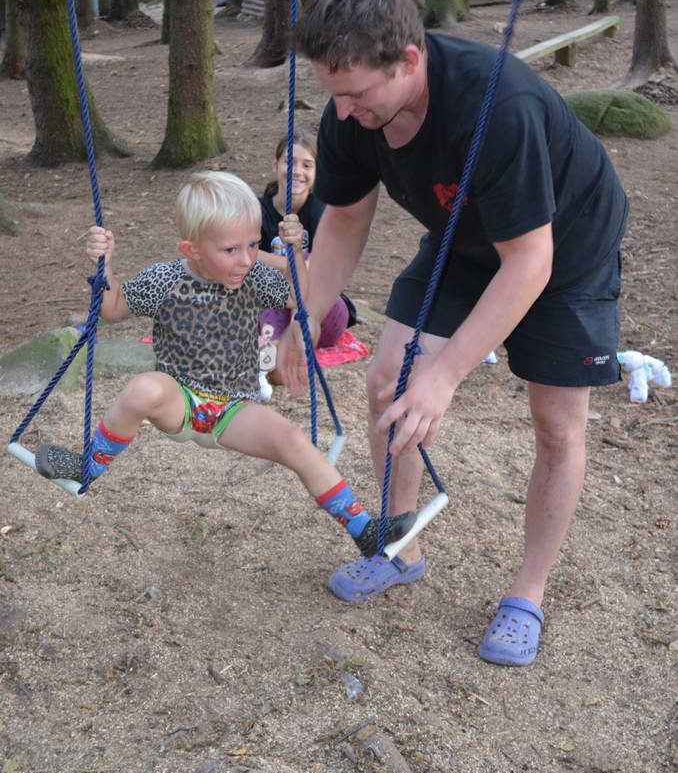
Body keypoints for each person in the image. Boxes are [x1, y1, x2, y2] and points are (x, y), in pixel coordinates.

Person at [280, 0, 629, 666]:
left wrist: (444, 375)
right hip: (464, 241)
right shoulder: (351, 111)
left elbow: (529, 262)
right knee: (388, 379)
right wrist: (307, 313)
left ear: (409, 60)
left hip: (566, 250)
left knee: (558, 423)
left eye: (355, 94)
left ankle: (527, 593)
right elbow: (344, 219)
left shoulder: (497, 107)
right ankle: (401, 545)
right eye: (332, 93)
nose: (342, 111)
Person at [34, 171, 415, 557]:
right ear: (193, 249)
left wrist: (294, 254)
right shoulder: (164, 279)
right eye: (231, 250)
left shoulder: (254, 277)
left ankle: (363, 529)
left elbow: (299, 299)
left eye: (253, 244)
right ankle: (88, 466)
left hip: (235, 407)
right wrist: (104, 266)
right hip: (180, 400)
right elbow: (113, 308)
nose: (246, 259)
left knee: (294, 440)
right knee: (144, 387)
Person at [257, 131, 357, 385]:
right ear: (275, 164)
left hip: (324, 315)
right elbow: (245, 256)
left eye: (307, 165)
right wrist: (292, 267)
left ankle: (289, 348)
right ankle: (272, 361)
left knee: (301, 262)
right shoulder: (257, 211)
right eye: (289, 162)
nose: (297, 171)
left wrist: (285, 265)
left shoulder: (322, 210)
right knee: (276, 284)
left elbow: (318, 268)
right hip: (273, 313)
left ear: (316, 172)